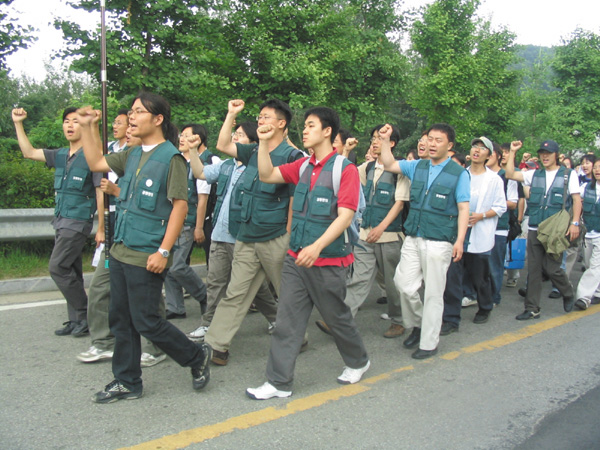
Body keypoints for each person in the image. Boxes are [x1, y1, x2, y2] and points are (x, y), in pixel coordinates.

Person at [76, 92, 211, 403]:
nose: (132, 117)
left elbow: (179, 207)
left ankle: (195, 356)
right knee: (121, 319)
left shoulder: (171, 158)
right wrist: (88, 127)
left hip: (147, 252)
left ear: (158, 119)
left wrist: (163, 252)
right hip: (121, 247)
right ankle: (127, 381)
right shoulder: (132, 153)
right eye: (132, 112)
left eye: (139, 112)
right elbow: (96, 161)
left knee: (146, 320)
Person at [246, 106, 369, 400]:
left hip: (329, 261)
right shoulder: (302, 166)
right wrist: (263, 141)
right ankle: (279, 382)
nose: (304, 130)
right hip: (296, 259)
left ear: (327, 131)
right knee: (287, 321)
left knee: (337, 317)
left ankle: (358, 361)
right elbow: (267, 174)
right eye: (304, 126)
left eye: (311, 125)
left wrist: (317, 246)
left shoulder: (344, 169)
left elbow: (346, 216)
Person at [204, 99, 303, 366]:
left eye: (267, 117)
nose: (261, 120)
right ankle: (216, 345)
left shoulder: (293, 157)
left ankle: (297, 337)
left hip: (275, 236)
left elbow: (295, 199)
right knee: (235, 293)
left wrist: (289, 236)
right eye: (259, 116)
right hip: (247, 235)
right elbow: (223, 145)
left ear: (281, 123)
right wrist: (231, 114)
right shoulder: (253, 151)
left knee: (287, 294)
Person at [380, 123, 470, 359]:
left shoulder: (459, 173)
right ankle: (420, 324)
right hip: (414, 236)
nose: (431, 144)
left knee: (433, 293)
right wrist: (385, 140)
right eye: (429, 138)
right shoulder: (417, 166)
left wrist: (460, 240)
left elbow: (463, 208)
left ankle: (429, 343)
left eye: (438, 140)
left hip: (439, 240)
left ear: (449, 146)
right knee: (403, 284)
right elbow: (389, 164)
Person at [12, 107, 103, 337]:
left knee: (57, 267)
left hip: (77, 221)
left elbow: (100, 192)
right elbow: (29, 152)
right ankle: (76, 320)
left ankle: (86, 314)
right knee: (71, 269)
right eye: (66, 121)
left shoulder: (92, 156)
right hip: (61, 220)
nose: (70, 125)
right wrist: (18, 123)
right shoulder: (60, 154)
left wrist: (102, 227)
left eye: (75, 121)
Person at [186, 121, 278, 340]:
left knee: (255, 286)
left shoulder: (259, 168)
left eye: (241, 135)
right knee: (215, 282)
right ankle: (208, 324)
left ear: (253, 143)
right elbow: (200, 172)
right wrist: (192, 149)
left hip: (242, 237)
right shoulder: (226, 165)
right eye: (235, 133)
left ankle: (276, 318)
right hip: (219, 234)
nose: (235, 137)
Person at [317, 124, 409, 338]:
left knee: (392, 283)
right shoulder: (367, 168)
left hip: (389, 236)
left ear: (391, 143)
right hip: (365, 234)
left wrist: (381, 227)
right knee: (358, 278)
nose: (375, 142)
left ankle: (399, 320)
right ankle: (339, 321)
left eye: (380, 138)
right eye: (373, 138)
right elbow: (343, 173)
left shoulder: (400, 169)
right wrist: (346, 150)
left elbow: (399, 204)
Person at [505, 140, 582, 320]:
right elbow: (510, 174)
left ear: (556, 155)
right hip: (535, 228)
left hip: (555, 230)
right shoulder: (534, 174)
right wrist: (512, 152)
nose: (545, 156)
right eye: (542, 153)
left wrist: (575, 223)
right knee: (534, 270)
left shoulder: (568, 175)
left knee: (553, 269)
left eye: (548, 153)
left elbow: (577, 200)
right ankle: (532, 308)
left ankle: (567, 291)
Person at [77, 111, 129, 363]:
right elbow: (96, 161)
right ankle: (103, 341)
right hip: (113, 226)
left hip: (134, 228)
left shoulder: (145, 154)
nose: (117, 126)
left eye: (122, 122)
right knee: (99, 286)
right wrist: (90, 125)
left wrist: (118, 191)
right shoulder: (112, 150)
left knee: (142, 292)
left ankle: (155, 344)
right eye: (115, 122)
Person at [442, 137, 506, 334]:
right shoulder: (461, 175)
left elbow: (500, 207)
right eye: (474, 147)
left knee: (480, 277)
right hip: (458, 234)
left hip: (480, 234)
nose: (477, 150)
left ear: (489, 155)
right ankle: (451, 319)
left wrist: (481, 215)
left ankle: (485, 306)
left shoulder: (494, 179)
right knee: (453, 277)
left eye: (482, 148)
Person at [163, 124, 210, 320]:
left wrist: (198, 227)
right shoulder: (175, 161)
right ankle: (175, 307)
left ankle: (204, 295)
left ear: (198, 139)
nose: (181, 139)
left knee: (177, 266)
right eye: (181, 135)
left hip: (188, 222)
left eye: (186, 135)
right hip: (171, 221)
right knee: (168, 265)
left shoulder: (199, 164)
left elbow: (202, 199)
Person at [485, 142, 518, 305]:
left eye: (490, 153)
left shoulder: (507, 176)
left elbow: (513, 202)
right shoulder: (479, 174)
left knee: (494, 265)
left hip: (499, 226)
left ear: (498, 156)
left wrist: (492, 204)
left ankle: (494, 297)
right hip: (480, 224)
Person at [575, 159, 600, 309]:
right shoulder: (586, 187)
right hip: (588, 233)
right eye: (595, 167)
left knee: (595, 266)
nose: (597, 170)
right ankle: (598, 292)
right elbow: (576, 201)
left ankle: (583, 297)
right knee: (589, 264)